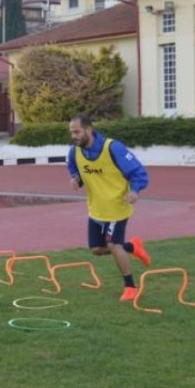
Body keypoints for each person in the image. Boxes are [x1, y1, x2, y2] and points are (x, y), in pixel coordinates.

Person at [67, 115, 151, 302]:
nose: (74, 136)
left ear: (89, 130)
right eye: (71, 132)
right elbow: (74, 167)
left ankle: (130, 287)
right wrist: (76, 178)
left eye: (77, 131)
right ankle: (133, 246)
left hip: (117, 206)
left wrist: (135, 190)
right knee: (97, 249)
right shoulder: (74, 151)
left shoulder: (113, 148)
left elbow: (138, 171)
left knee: (113, 245)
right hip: (96, 209)